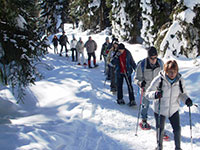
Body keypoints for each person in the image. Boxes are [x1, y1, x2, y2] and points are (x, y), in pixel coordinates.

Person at [145, 60, 193, 150]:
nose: (172, 74)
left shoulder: (180, 80)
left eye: (174, 72)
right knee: (160, 130)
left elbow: (182, 94)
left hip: (173, 109)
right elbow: (147, 94)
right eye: (170, 71)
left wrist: (187, 100)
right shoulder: (159, 79)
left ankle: (178, 148)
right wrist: (155, 94)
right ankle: (159, 147)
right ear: (166, 71)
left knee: (177, 129)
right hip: (160, 109)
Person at [134, 46, 164, 129]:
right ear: (148, 57)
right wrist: (140, 83)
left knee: (158, 108)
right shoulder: (142, 64)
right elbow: (136, 78)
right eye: (152, 58)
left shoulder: (160, 63)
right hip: (146, 90)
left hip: (156, 90)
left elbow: (164, 76)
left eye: (155, 58)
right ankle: (144, 120)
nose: (154, 60)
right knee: (145, 106)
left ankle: (160, 125)